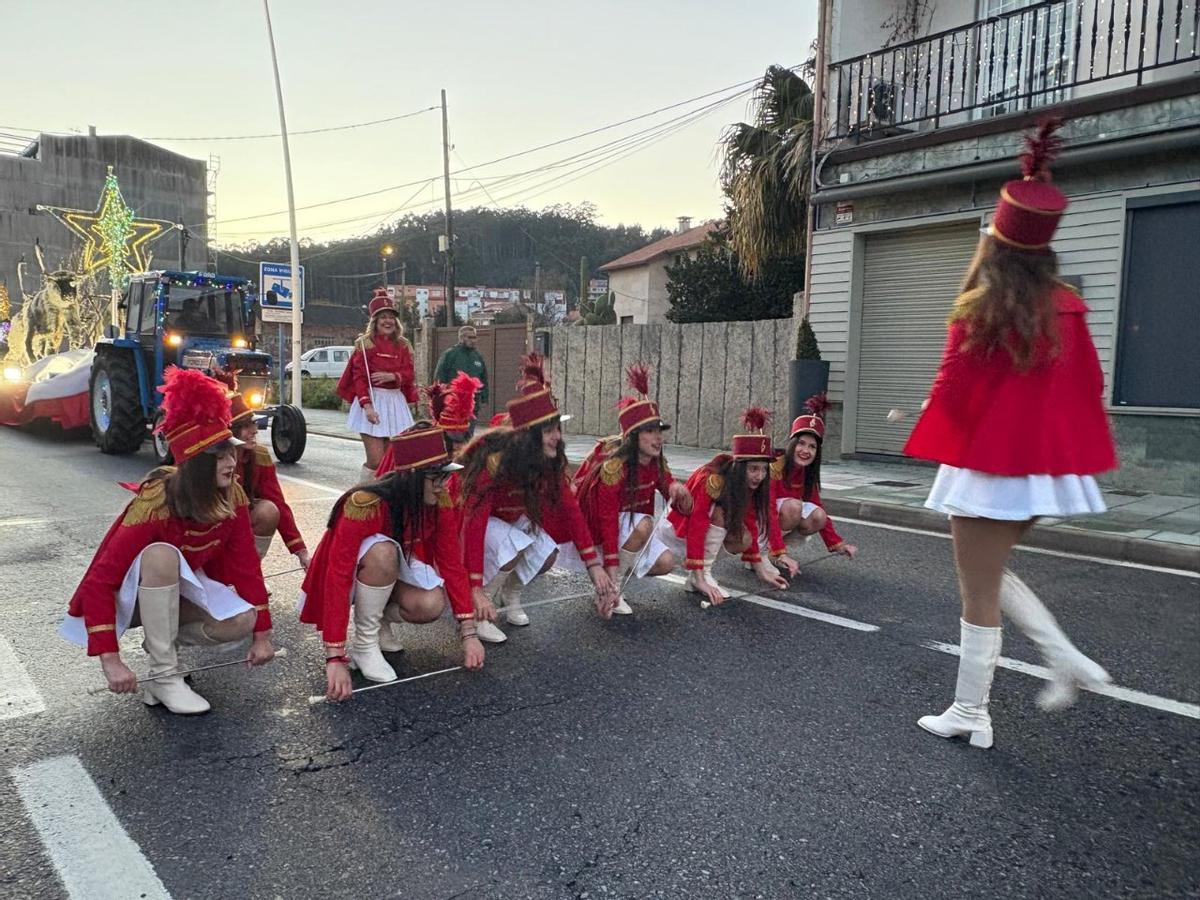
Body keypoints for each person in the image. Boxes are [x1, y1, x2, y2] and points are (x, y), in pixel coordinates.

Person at [904, 120, 1114, 750]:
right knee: (989, 574)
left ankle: (972, 712)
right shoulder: (1069, 308)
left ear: (994, 246)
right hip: (1044, 474)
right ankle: (1064, 658)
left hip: (989, 472)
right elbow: (1090, 387)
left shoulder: (980, 309)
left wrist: (931, 420)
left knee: (976, 590)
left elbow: (953, 391)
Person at [60, 368, 277, 715]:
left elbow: (246, 566)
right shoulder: (156, 503)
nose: (232, 462)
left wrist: (262, 635)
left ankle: (161, 649)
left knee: (243, 620)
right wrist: (110, 659)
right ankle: (163, 676)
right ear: (195, 464)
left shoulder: (232, 495)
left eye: (231, 453)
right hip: (128, 600)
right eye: (220, 456)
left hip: (178, 591)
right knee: (161, 556)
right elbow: (102, 581)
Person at [300, 424, 484, 700]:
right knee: (383, 552)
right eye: (435, 478)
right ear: (412, 477)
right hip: (350, 578)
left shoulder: (438, 500)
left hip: (389, 577)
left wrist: (469, 633)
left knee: (431, 603)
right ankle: (364, 643)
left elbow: (451, 563)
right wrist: (335, 657)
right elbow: (338, 575)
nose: (443, 486)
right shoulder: (366, 505)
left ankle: (378, 622)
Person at [461, 352, 617, 643]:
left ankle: (511, 594)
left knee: (546, 552)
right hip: (468, 523)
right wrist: (474, 587)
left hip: (506, 519)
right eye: (548, 431)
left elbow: (570, 511)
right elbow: (474, 522)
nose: (557, 437)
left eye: (558, 428)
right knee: (515, 544)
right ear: (527, 436)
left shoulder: (547, 459)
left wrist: (594, 567)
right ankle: (480, 609)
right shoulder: (495, 463)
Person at [574, 363, 692, 615]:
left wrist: (676, 488)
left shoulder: (655, 460)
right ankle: (610, 588)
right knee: (644, 525)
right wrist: (610, 570)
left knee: (667, 562)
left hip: (630, 530)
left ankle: (612, 583)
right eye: (650, 432)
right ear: (633, 437)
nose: (658, 438)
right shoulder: (614, 469)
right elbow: (606, 522)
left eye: (659, 431)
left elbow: (670, 488)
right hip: (600, 532)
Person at [656, 407, 801, 607]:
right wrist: (700, 576)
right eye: (753, 469)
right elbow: (696, 526)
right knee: (722, 513)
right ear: (740, 467)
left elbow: (749, 520)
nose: (759, 476)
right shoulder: (713, 480)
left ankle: (699, 576)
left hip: (703, 533)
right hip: (677, 533)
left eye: (763, 469)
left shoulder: (749, 483)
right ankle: (700, 576)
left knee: (745, 535)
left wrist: (762, 571)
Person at [216, 368, 310, 569]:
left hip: (237, 522)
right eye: (246, 426)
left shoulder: (258, 456)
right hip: (212, 525)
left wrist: (301, 552)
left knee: (269, 510)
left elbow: (278, 503)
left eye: (253, 424)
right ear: (228, 430)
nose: (254, 430)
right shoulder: (206, 460)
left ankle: (249, 568)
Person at [750, 401, 857, 567]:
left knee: (817, 516)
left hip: (775, 519)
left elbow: (816, 505)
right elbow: (768, 510)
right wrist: (779, 550)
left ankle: (775, 553)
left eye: (812, 446)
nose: (806, 451)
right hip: (755, 518)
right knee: (794, 507)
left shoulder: (807, 473)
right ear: (792, 444)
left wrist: (838, 544)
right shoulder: (775, 467)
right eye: (801, 443)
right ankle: (759, 555)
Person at [336, 287, 418, 482]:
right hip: (372, 401)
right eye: (383, 317)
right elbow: (359, 378)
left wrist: (393, 376)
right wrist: (367, 406)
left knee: (392, 461)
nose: (388, 321)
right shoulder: (365, 344)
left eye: (391, 317)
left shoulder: (404, 345)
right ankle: (364, 498)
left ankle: (386, 502)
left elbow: (409, 373)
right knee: (375, 461)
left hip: (395, 403)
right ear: (375, 321)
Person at [434, 325, 489, 435]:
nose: (474, 340)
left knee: (469, 434)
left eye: (475, 337)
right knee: (453, 434)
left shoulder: (477, 356)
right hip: (454, 403)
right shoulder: (450, 354)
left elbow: (483, 377)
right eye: (470, 337)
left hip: (473, 403)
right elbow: (439, 376)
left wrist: (484, 395)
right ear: (462, 338)